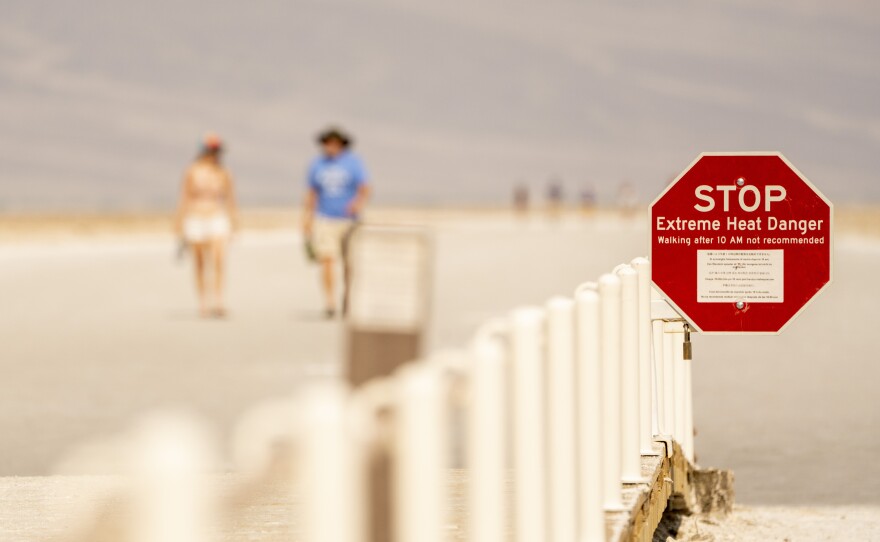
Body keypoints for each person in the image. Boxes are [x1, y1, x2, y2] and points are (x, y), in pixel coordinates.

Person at [302, 127, 370, 318]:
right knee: (327, 260)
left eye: (334, 143)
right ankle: (329, 302)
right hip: (325, 219)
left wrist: (357, 204)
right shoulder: (317, 164)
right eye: (327, 143)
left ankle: (349, 298)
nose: (330, 147)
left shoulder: (353, 163)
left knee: (351, 263)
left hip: (349, 221)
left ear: (341, 144)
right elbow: (311, 193)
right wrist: (307, 218)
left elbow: (365, 187)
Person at [174, 133, 239, 318]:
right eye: (212, 150)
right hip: (195, 218)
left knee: (219, 259)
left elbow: (231, 200)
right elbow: (184, 198)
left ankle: (218, 301)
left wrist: (234, 225)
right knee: (200, 262)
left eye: (217, 151)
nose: (215, 154)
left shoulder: (224, 172)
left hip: (217, 217)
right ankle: (202, 302)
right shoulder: (192, 171)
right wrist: (179, 224)